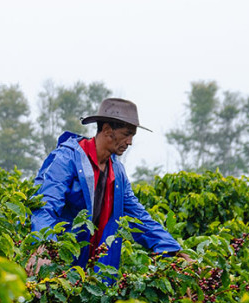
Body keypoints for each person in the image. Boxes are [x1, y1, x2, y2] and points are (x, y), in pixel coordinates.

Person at [27, 97, 188, 277]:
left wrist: (173, 249)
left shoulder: (117, 172)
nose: (130, 142)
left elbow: (138, 216)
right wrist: (43, 245)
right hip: (58, 262)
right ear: (106, 130)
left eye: (132, 136)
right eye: (126, 134)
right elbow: (45, 205)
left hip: (93, 268)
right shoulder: (67, 159)